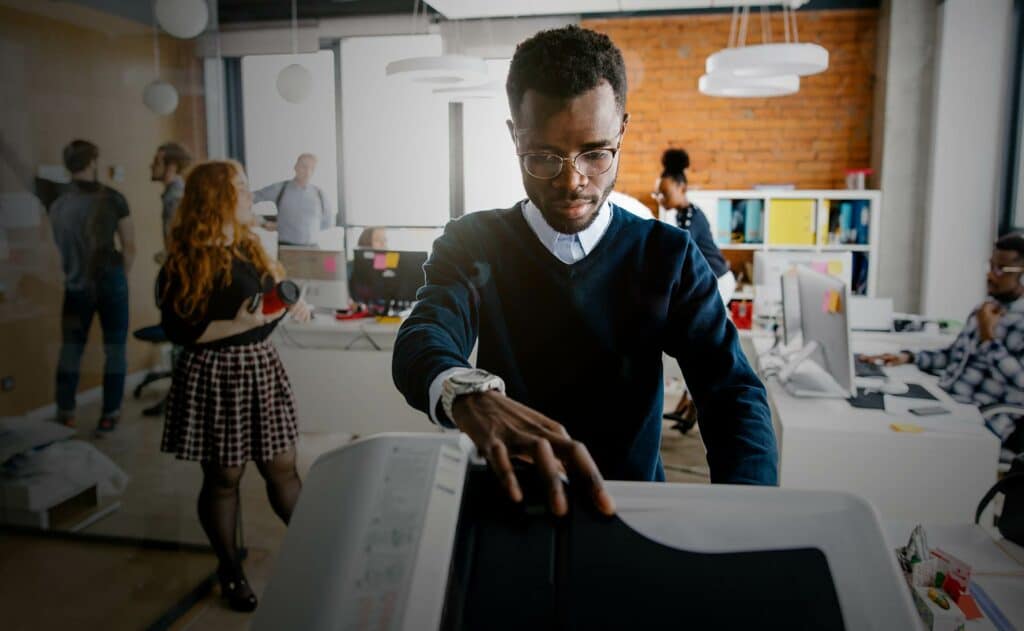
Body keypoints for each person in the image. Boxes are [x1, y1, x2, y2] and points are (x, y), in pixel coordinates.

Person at [392, 25, 777, 519]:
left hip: (636, 510)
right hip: (513, 510)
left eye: (596, 154)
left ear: (622, 131)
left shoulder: (668, 255)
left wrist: (753, 519)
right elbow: (423, 334)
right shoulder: (473, 243)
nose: (573, 181)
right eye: (543, 157)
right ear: (514, 136)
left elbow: (732, 392)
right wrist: (466, 393)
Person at [158, 160, 312, 612]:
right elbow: (181, 331)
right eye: (241, 187)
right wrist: (239, 322)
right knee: (224, 476)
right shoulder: (185, 260)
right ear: (215, 198)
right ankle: (230, 569)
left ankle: (315, 546)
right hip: (215, 373)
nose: (250, 194)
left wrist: (290, 302)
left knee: (282, 468)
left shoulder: (251, 246)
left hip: (259, 367)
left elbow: (270, 297)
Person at [861, 234, 1024, 454]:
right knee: (873, 412)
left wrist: (988, 337)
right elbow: (953, 354)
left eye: (1000, 270)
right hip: (947, 401)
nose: (990, 275)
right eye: (991, 266)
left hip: (982, 418)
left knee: (891, 443)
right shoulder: (986, 309)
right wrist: (908, 357)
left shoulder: (1015, 322)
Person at [49, 140, 135, 434]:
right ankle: (110, 414)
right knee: (115, 350)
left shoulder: (56, 196)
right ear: (94, 162)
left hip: (75, 284)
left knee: (71, 350)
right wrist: (120, 279)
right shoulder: (113, 197)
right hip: (110, 281)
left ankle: (65, 413)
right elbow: (130, 247)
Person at [654, 148, 737, 432]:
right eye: (659, 195)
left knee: (702, 337)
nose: (663, 200)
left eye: (665, 193)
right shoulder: (685, 214)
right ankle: (687, 405)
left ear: (681, 187)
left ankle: (693, 405)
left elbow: (684, 254)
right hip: (714, 277)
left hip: (719, 279)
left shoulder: (689, 217)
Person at [253, 153, 333, 246]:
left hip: (312, 249)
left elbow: (327, 223)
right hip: (287, 248)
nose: (307, 172)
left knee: (330, 261)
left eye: (312, 168)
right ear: (296, 167)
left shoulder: (320, 194)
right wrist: (261, 222)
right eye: (304, 167)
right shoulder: (280, 189)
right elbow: (249, 198)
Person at [150, 142, 192, 245]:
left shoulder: (176, 198)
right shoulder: (173, 194)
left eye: (157, 162)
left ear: (171, 167)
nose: (151, 166)